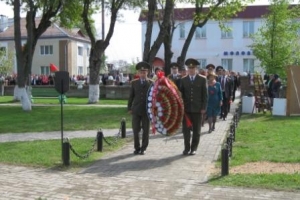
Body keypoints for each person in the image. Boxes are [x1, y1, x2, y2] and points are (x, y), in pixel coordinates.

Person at [180, 58, 208, 155]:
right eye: (189, 68)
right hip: (187, 109)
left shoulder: (202, 79)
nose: (191, 70)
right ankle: (186, 148)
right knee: (186, 131)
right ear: (187, 69)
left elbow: (205, 95)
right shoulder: (183, 80)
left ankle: (194, 148)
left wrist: (203, 107)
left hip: (197, 109)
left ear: (196, 69)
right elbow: (181, 95)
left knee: (197, 130)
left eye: (193, 68)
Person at [128, 61, 154, 155]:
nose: (143, 74)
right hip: (136, 109)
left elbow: (154, 97)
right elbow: (131, 96)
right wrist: (129, 108)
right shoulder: (134, 83)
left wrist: (153, 108)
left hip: (146, 110)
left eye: (144, 72)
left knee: (146, 130)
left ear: (147, 72)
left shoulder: (151, 83)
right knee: (135, 130)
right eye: (141, 72)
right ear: (138, 73)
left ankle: (144, 148)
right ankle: (137, 147)